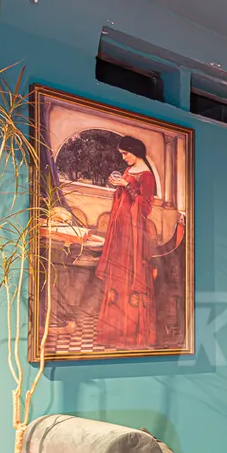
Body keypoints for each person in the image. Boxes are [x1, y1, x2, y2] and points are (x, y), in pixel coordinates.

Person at [94, 135, 156, 348]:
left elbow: (145, 207)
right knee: (118, 276)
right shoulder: (129, 170)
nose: (123, 158)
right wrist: (119, 185)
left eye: (125, 153)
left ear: (135, 152)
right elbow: (124, 199)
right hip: (120, 232)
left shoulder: (147, 175)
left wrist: (126, 185)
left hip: (133, 234)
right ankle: (113, 332)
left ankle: (130, 335)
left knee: (130, 275)